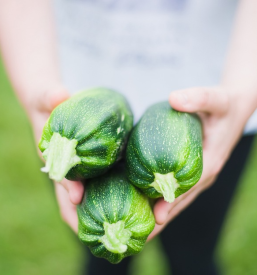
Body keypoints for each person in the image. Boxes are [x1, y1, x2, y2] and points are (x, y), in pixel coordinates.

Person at [0, 0, 257, 274]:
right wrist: (36, 84)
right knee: (104, 259)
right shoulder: (66, 131)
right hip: (76, 100)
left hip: (217, 104)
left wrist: (243, 92)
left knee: (193, 251)